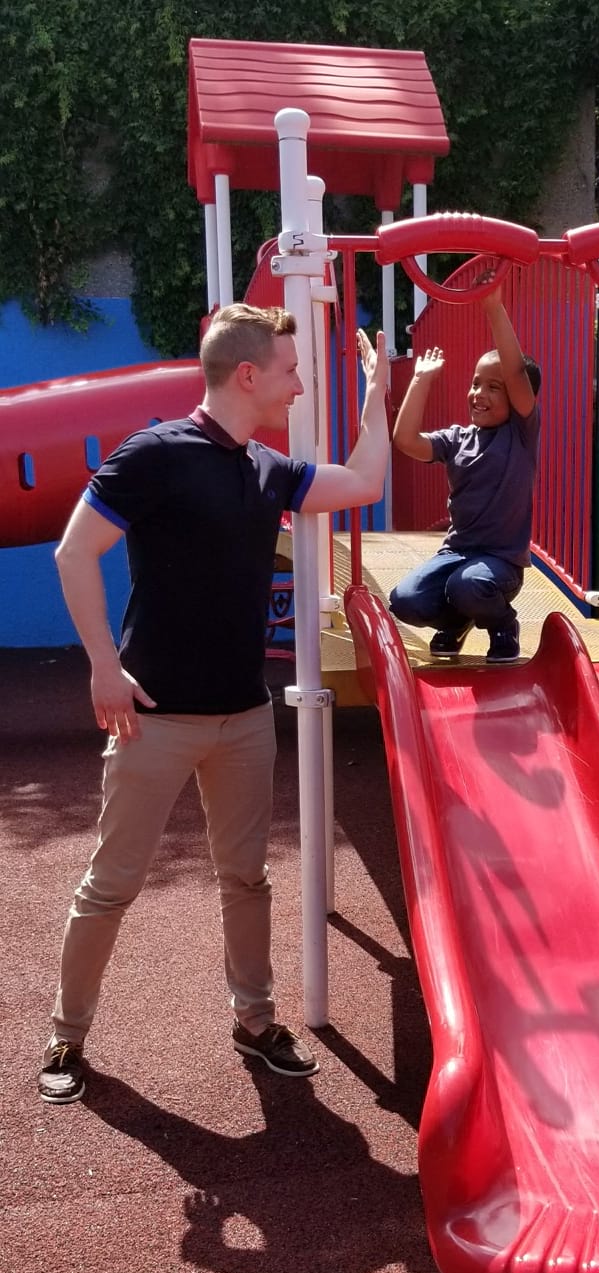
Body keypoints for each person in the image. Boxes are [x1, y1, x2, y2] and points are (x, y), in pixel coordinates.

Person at [38, 302, 390, 1104]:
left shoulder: (266, 469)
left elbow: (364, 480)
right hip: (150, 716)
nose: (300, 386)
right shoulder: (156, 455)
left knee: (247, 880)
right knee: (111, 883)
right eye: (292, 372)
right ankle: (66, 1037)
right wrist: (102, 666)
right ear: (248, 374)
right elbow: (74, 551)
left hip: (243, 719)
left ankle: (255, 1022)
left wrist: (379, 390)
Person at [388, 281, 541, 663]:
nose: (479, 394)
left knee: (469, 585)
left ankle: (503, 624)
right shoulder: (457, 439)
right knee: (405, 600)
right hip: (457, 554)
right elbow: (406, 440)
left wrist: (493, 309)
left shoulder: (520, 433)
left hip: (499, 564)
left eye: (494, 387)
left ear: (519, 397)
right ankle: (455, 623)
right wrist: (421, 379)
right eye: (475, 384)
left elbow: (518, 374)